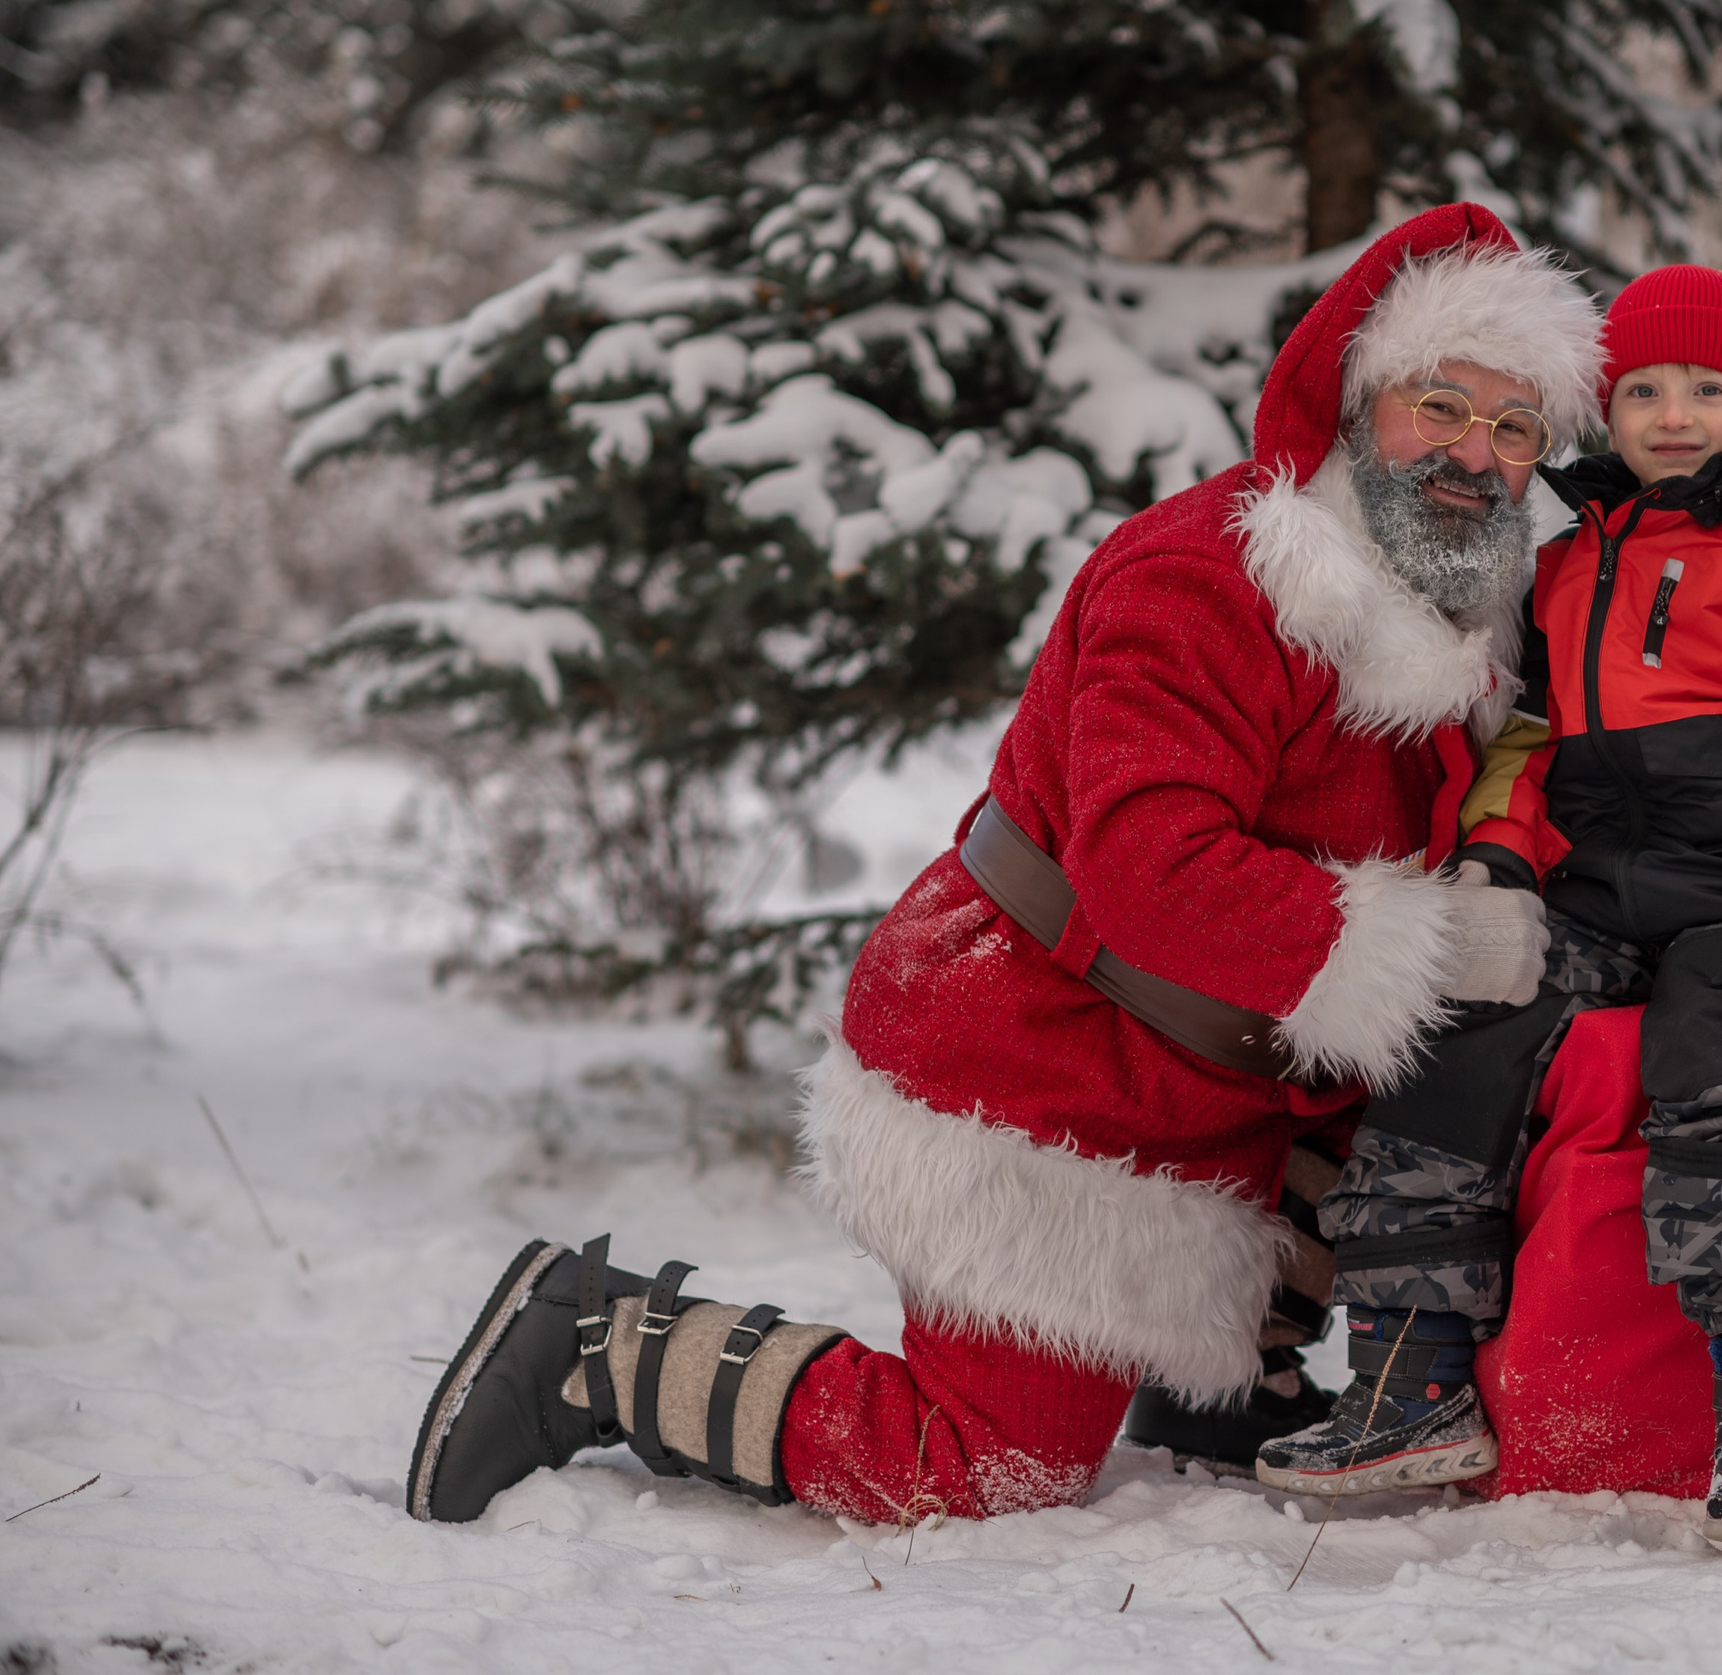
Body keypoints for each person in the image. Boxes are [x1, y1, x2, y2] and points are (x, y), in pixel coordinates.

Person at [401, 203, 1603, 1528]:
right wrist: (1437, 950)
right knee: (985, 1468)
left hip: (1224, 1090)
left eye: (1513, 429)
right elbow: (1156, 868)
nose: (1475, 456)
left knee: (1486, 1073)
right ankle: (601, 1341)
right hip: (1040, 1062)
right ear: (1357, 397)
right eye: (1443, 406)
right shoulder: (1209, 578)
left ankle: (1219, 1379)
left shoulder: (1461, 636)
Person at [1258, 265, 1722, 1554]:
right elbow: (1535, 733)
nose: (1675, 414)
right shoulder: (1573, 555)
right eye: (1645, 390)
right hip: (1595, 891)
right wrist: (1499, 861)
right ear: (1606, 411)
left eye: (1708, 389)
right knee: (1454, 1035)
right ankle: (1412, 1381)